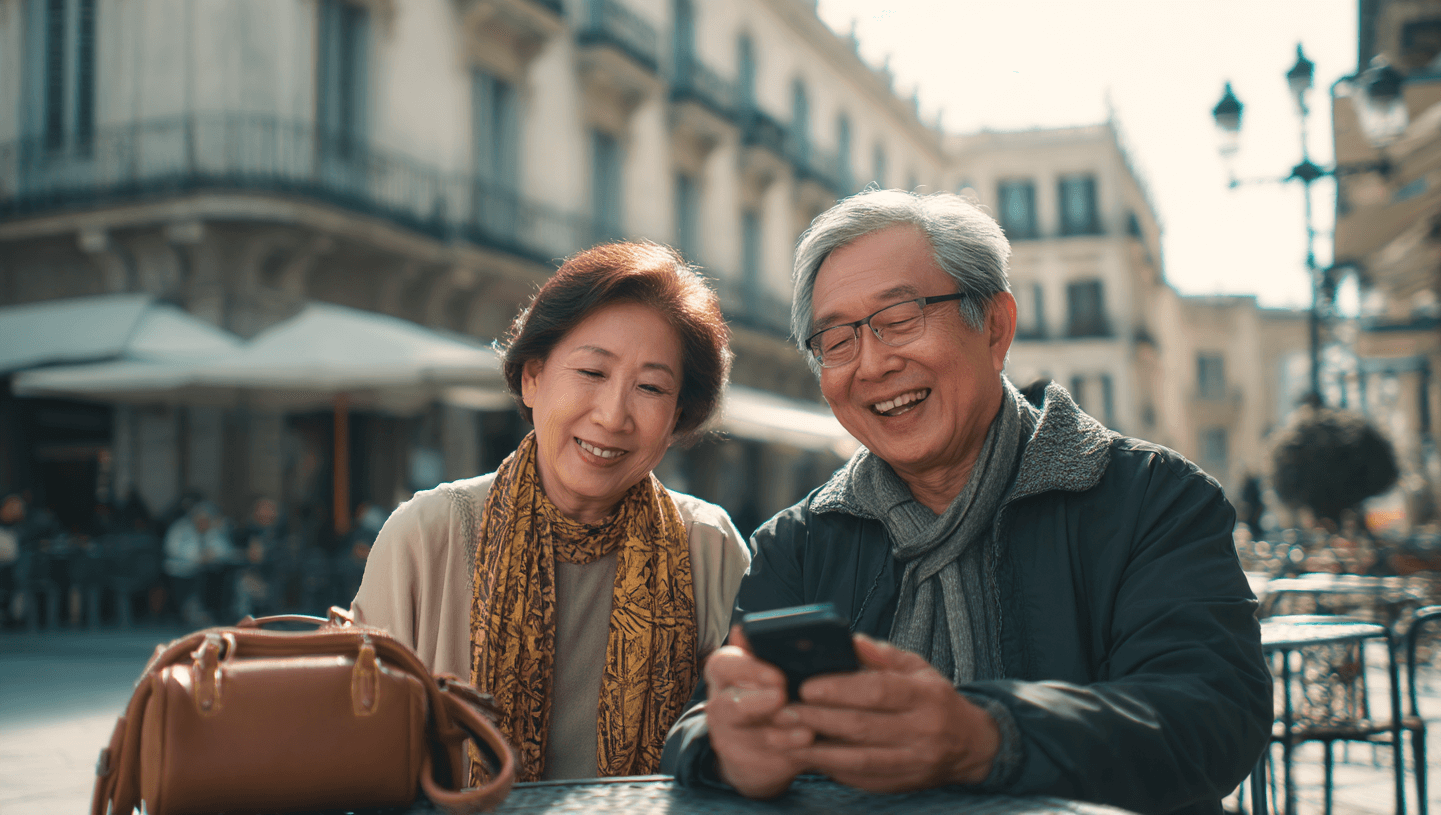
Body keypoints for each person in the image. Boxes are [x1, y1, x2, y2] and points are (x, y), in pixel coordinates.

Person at [662, 190, 1273, 815]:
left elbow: (1213, 713)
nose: (871, 363)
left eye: (899, 319)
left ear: (996, 327)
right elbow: (708, 716)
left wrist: (984, 738)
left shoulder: (1152, 497)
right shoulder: (799, 540)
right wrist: (728, 748)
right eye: (836, 341)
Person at [352, 242, 751, 783]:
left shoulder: (709, 546)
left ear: (678, 415)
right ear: (532, 376)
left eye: (651, 387)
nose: (613, 416)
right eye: (591, 372)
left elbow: (740, 746)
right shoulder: (428, 535)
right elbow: (361, 752)